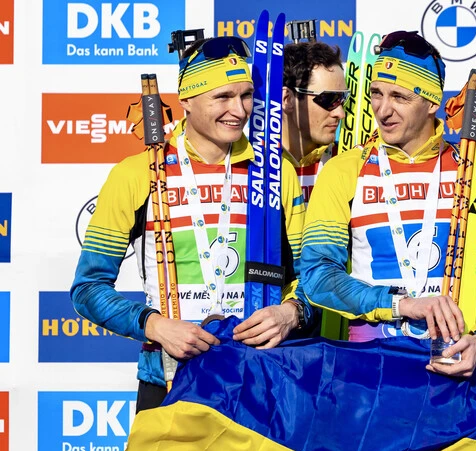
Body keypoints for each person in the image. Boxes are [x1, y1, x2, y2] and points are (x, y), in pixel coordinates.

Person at [70, 35, 313, 412]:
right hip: (168, 376)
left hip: (257, 376)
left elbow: (312, 280)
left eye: (246, 94)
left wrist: (290, 313)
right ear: (186, 99)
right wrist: (154, 326)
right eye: (223, 96)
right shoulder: (138, 174)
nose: (239, 109)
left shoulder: (275, 171)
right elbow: (87, 288)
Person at [300, 31, 476, 378]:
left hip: (456, 362)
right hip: (369, 367)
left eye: (399, 97)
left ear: (432, 102)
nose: (383, 110)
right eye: (376, 93)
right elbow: (317, 275)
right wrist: (401, 305)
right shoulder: (343, 170)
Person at [282, 40, 347, 203]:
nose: (340, 113)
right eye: (329, 99)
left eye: (342, 99)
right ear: (287, 99)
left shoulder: (346, 161)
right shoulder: (253, 166)